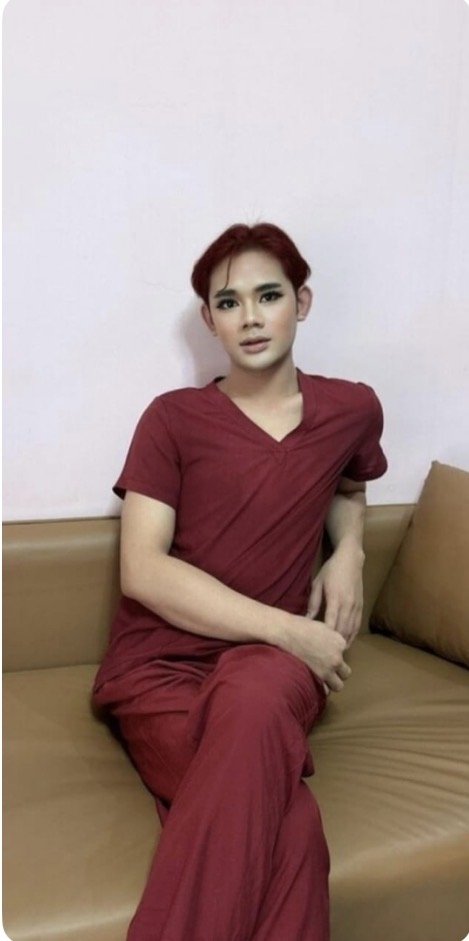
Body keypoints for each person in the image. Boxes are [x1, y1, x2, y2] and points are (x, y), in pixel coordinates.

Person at [92, 221, 388, 941]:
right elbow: (142, 570)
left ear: (301, 302)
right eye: (229, 302)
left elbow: (349, 487)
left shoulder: (351, 409)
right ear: (209, 320)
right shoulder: (173, 419)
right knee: (291, 826)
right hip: (161, 670)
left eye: (268, 295)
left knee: (254, 696)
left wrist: (348, 552)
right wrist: (293, 632)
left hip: (270, 669)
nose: (251, 317)